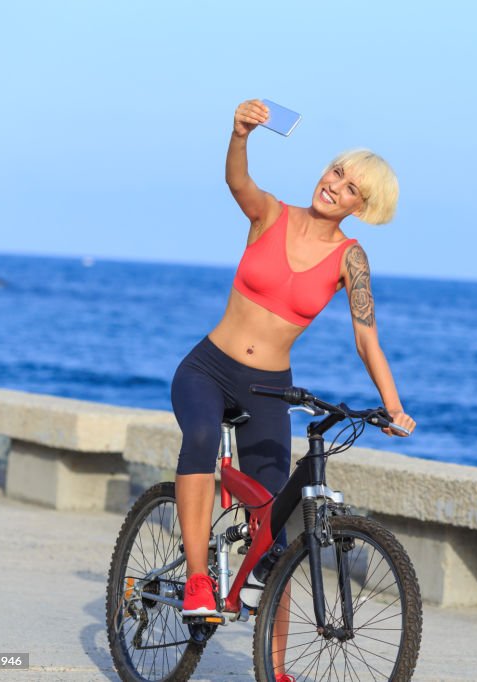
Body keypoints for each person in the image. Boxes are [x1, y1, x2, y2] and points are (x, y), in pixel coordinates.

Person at [170, 100, 416, 637]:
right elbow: (238, 182)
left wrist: (393, 406)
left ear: (363, 205)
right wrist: (240, 135)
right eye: (336, 172)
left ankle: (276, 669)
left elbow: (366, 337)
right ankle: (196, 579)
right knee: (202, 436)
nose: (334, 186)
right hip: (208, 369)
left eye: (351, 187)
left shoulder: (351, 258)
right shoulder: (271, 214)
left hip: (269, 390)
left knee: (275, 530)